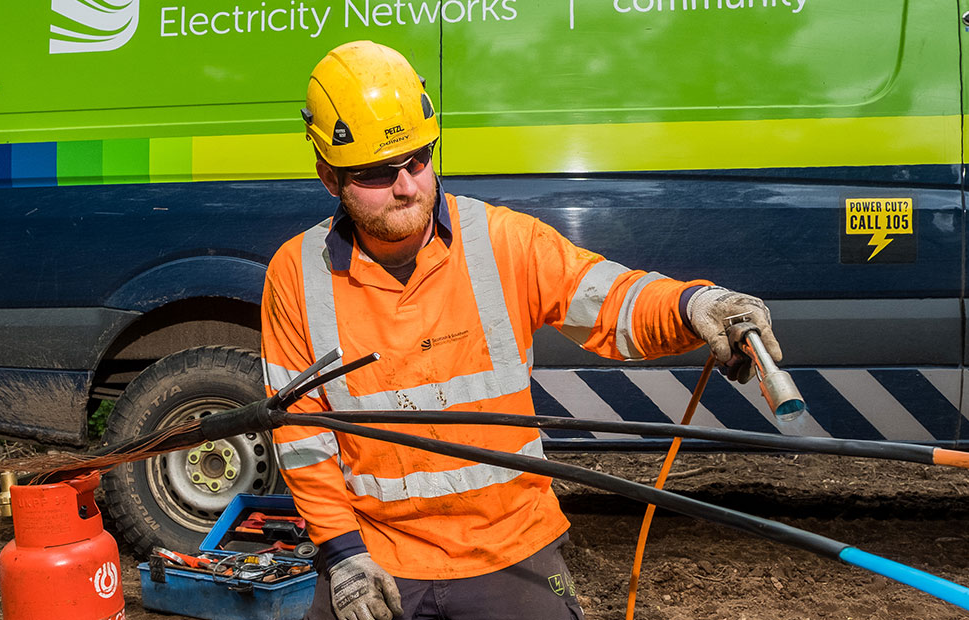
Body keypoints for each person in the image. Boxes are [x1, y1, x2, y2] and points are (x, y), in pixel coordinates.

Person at [260, 40, 783, 620]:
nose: (407, 186)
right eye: (378, 174)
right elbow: (301, 432)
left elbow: (609, 298)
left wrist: (693, 304)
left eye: (418, 159)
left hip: (510, 546)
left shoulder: (501, 241)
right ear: (328, 175)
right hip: (379, 558)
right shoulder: (297, 273)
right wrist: (342, 555)